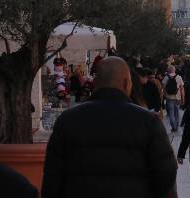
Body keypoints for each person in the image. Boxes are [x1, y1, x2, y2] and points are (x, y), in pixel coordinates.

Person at [41, 56, 177, 198]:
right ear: (126, 83)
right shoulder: (148, 122)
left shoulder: (67, 121)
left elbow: (52, 176)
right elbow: (167, 170)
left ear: (95, 83)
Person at [163, 66, 185, 132]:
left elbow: (163, 88)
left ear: (169, 70)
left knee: (171, 113)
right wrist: (183, 98)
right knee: (177, 112)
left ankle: (174, 127)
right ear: (174, 70)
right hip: (178, 98)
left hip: (169, 97)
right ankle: (176, 126)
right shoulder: (179, 77)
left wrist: (165, 94)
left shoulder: (166, 77)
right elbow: (182, 89)